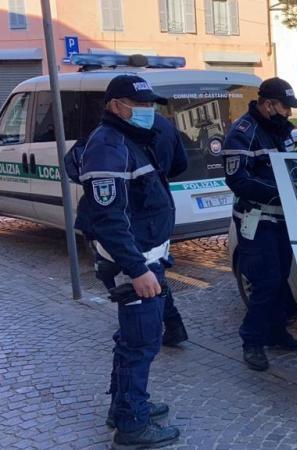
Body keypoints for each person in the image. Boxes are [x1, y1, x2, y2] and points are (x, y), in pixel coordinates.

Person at [72, 75, 180, 447]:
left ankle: (125, 407)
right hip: (132, 265)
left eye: (151, 104)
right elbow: (109, 218)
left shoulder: (128, 139)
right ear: (116, 106)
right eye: (142, 105)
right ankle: (132, 426)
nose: (149, 111)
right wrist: (137, 270)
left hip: (145, 259)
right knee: (142, 344)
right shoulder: (108, 145)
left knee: (132, 340)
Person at [223, 78, 297, 372]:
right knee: (266, 282)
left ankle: (275, 332)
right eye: (286, 107)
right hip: (257, 221)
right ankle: (252, 341)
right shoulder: (244, 132)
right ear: (269, 104)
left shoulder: (281, 130)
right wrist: (280, 192)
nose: (290, 114)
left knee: (281, 280)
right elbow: (238, 180)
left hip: (283, 219)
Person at [93, 113, 190, 348]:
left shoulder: (112, 137)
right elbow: (180, 164)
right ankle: (172, 325)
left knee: (138, 336)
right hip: (154, 223)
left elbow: (74, 167)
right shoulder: (164, 124)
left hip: (133, 228)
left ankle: (156, 326)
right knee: (155, 276)